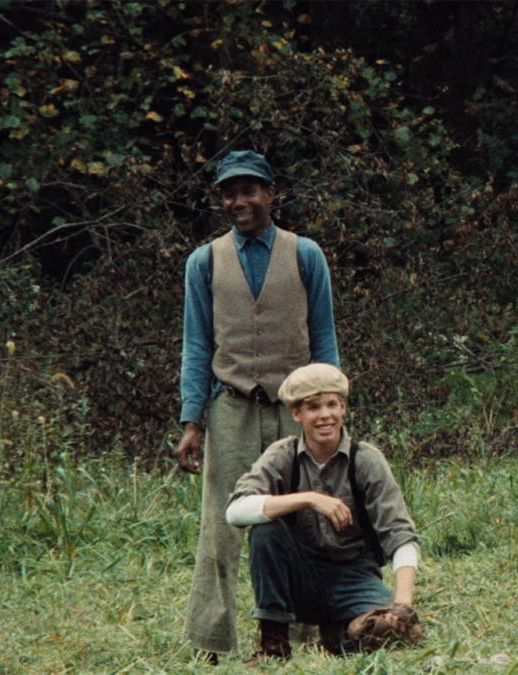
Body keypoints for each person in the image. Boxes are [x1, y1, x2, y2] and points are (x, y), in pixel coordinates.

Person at [175, 149, 339, 662]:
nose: (238, 201)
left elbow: (324, 336)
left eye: (249, 190)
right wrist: (191, 420)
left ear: (271, 194)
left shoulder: (305, 254)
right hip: (232, 408)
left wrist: (329, 408)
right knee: (222, 525)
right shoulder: (203, 261)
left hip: (297, 411)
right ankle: (211, 638)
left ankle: (310, 633)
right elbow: (196, 345)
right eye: (229, 192)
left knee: (306, 519)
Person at [225, 363, 422, 661]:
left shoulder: (366, 460)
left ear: (343, 408)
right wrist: (308, 499)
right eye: (313, 407)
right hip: (301, 579)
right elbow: (235, 512)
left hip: (355, 576)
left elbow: (400, 534)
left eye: (332, 404)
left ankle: (337, 635)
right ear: (296, 414)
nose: (325, 415)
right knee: (265, 529)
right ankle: (273, 645)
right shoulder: (282, 454)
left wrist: (402, 605)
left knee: (394, 633)